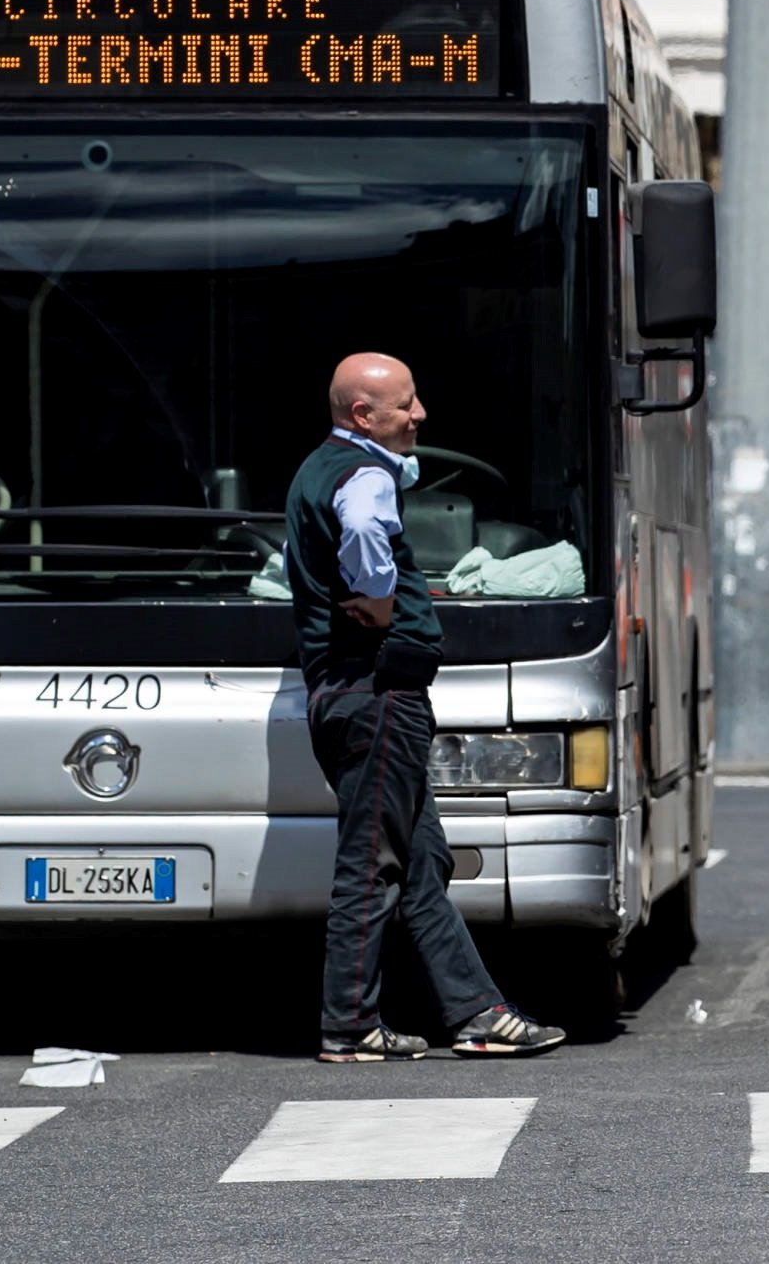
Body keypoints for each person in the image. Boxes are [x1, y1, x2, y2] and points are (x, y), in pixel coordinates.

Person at [287, 352, 563, 1063]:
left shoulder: (316, 468)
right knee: (372, 864)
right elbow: (362, 535)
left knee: (422, 859)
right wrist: (379, 598)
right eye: (405, 404)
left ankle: (477, 1011)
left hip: (350, 694)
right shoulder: (365, 474)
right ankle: (349, 1024)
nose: (420, 415)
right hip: (377, 694)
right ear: (362, 416)